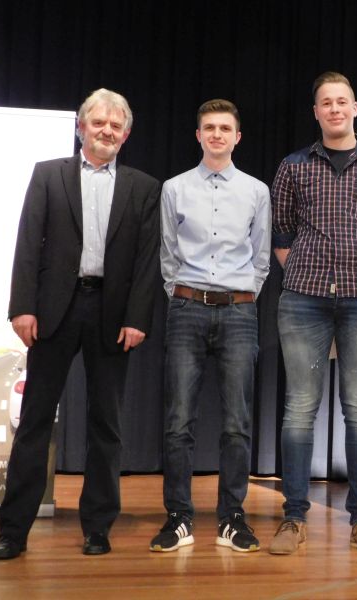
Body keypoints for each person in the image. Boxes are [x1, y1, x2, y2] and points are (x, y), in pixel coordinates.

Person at [0, 89, 161, 560]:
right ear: (81, 127)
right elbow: (28, 243)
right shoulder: (49, 175)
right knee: (35, 421)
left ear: (125, 135)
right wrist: (21, 306)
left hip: (112, 314)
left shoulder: (143, 187)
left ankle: (98, 526)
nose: (107, 130)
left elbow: (148, 262)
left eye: (116, 125)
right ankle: (13, 531)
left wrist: (137, 318)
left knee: (107, 424)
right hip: (52, 311)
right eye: (99, 122)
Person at [268, 72, 357, 556]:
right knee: (300, 410)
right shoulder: (293, 166)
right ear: (316, 112)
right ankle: (293, 517)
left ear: (355, 108)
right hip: (302, 299)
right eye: (325, 102)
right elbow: (281, 235)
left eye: (341, 101)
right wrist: (312, 275)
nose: (334, 109)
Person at [150, 99, 271, 553]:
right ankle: (178, 517)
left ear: (237, 137)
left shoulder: (257, 191)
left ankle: (231, 518)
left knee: (237, 423)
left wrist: (243, 295)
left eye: (225, 128)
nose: (217, 134)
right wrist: (182, 295)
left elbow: (260, 259)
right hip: (186, 309)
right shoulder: (174, 188)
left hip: (240, 312)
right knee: (178, 421)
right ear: (198, 135)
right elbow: (167, 255)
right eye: (209, 128)